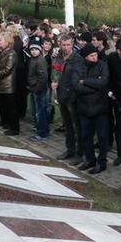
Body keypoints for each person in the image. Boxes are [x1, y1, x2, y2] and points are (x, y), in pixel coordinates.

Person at [71, 43, 111, 174]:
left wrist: (86, 81)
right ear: (85, 57)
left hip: (100, 107)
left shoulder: (102, 65)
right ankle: (89, 159)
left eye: (95, 55)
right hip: (84, 107)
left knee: (102, 137)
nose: (94, 58)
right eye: (91, 56)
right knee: (85, 136)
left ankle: (102, 162)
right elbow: (76, 85)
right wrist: (94, 88)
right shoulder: (78, 67)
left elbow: (104, 82)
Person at [53, 34, 81, 163]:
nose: (66, 48)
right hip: (61, 94)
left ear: (72, 44)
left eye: (68, 45)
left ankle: (79, 152)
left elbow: (78, 80)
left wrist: (72, 95)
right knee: (68, 125)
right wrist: (53, 82)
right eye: (63, 45)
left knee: (76, 126)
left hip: (72, 97)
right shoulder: (58, 57)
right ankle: (70, 149)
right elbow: (54, 73)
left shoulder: (77, 59)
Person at [0, 30, 19, 136]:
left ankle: (14, 128)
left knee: (10, 106)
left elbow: (7, 69)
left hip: (7, 84)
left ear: (7, 42)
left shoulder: (11, 54)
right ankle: (5, 121)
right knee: (1, 104)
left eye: (1, 39)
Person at [27, 39, 50, 140]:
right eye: (32, 50)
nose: (34, 51)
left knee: (40, 112)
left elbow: (43, 77)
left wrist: (37, 89)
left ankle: (42, 132)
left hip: (39, 90)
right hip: (34, 88)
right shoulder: (32, 59)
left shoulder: (40, 61)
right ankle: (44, 129)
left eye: (36, 49)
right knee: (38, 110)